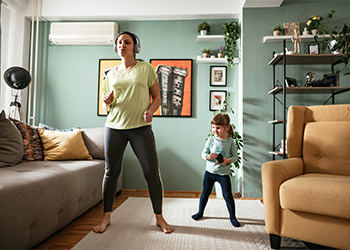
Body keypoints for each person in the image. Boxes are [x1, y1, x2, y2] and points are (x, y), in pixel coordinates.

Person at [93, 31, 173, 234]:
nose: (122, 45)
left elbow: (157, 97)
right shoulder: (110, 74)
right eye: (119, 42)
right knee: (111, 173)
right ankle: (106, 217)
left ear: (135, 47)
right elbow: (107, 105)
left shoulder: (145, 68)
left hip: (140, 128)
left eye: (127, 42)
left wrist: (151, 112)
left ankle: (159, 217)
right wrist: (107, 102)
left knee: (151, 173)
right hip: (114, 127)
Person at [192, 113, 241, 227]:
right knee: (205, 193)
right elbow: (203, 153)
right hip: (209, 173)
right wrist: (208, 157)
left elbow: (235, 157)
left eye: (218, 128)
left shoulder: (230, 142)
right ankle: (200, 212)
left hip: (223, 174)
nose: (215, 130)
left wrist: (227, 161)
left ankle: (233, 217)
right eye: (213, 127)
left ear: (227, 127)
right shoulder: (211, 140)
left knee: (228, 195)